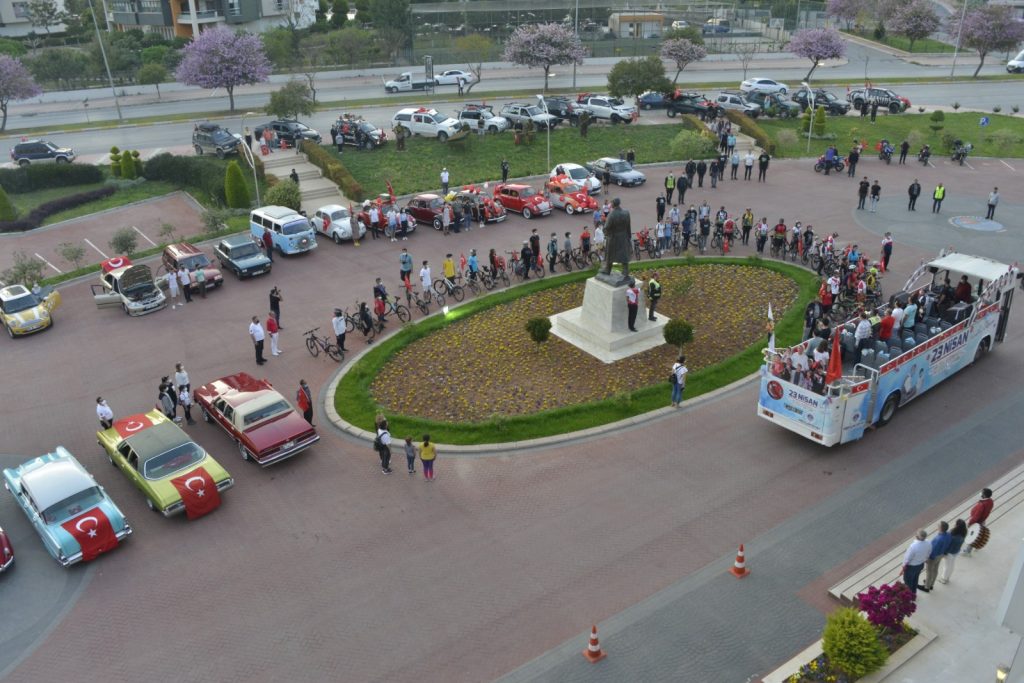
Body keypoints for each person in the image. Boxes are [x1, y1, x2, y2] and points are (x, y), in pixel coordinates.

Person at [962, 488, 994, 556]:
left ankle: (967, 551)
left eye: (982, 492)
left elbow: (976, 516)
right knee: (980, 534)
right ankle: (977, 546)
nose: (981, 493)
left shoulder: (982, 504)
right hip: (982, 520)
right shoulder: (990, 501)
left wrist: (970, 523)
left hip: (977, 522)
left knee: (972, 536)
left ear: (984, 495)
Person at [903, 530, 931, 596]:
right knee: (915, 579)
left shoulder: (913, 546)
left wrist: (904, 565)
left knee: (908, 581)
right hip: (920, 565)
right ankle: (914, 592)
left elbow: (907, 558)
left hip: (911, 567)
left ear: (917, 537)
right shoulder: (928, 543)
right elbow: (928, 553)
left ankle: (909, 595)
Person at [940, 519, 968, 584]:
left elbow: (947, 544)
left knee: (946, 566)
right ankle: (947, 577)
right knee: (951, 565)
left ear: (957, 526)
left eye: (955, 524)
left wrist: (944, 552)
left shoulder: (952, 534)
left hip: (949, 552)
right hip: (956, 551)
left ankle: (944, 579)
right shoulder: (963, 533)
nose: (954, 524)